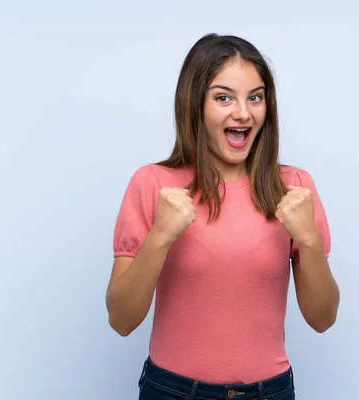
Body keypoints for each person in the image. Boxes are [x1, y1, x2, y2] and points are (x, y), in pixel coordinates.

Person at [106, 33, 340, 400]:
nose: (243, 113)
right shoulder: (153, 184)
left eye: (255, 97)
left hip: (270, 392)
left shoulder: (294, 188)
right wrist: (160, 237)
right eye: (223, 97)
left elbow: (323, 319)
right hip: (172, 391)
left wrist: (308, 240)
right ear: (194, 103)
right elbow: (121, 320)